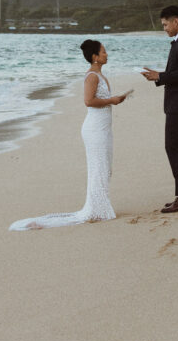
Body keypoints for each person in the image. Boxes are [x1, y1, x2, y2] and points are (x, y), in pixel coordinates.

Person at [9, 40, 129, 230]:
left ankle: (100, 206)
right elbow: (88, 101)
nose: (107, 54)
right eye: (103, 52)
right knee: (99, 166)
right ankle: (97, 209)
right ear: (94, 57)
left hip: (103, 127)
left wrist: (113, 100)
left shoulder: (100, 75)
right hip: (94, 128)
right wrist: (112, 100)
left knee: (105, 166)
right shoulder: (92, 76)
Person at [141, 4, 178, 213]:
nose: (164, 28)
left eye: (166, 24)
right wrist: (159, 76)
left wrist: (160, 76)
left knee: (174, 147)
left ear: (176, 21)